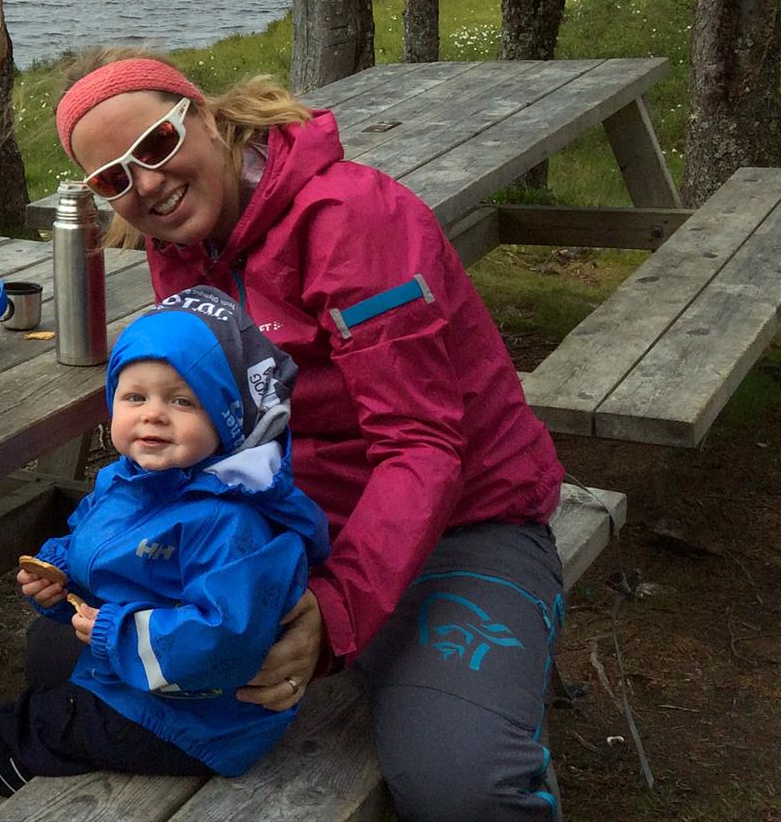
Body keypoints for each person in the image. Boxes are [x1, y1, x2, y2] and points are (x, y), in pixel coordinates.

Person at [40, 51, 567, 821]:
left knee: (463, 785)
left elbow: (422, 447)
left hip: (465, 523)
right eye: (113, 179)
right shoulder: (180, 249)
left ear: (206, 116)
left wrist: (333, 612)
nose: (145, 185)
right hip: (290, 523)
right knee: (60, 652)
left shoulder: (353, 219)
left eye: (154, 146)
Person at [0, 285, 330, 793]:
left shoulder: (230, 523)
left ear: (229, 419)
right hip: (143, 683)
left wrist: (113, 632)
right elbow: (93, 539)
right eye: (134, 396)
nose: (152, 414)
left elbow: (223, 642)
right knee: (46, 682)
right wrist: (60, 574)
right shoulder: (126, 479)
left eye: (183, 400)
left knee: (28, 728)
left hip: (195, 720)